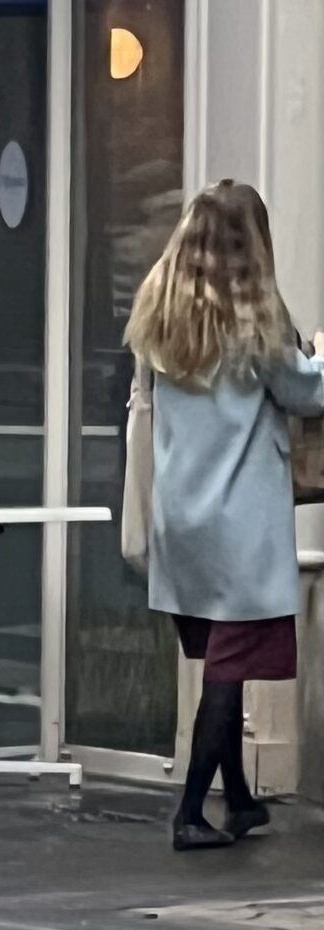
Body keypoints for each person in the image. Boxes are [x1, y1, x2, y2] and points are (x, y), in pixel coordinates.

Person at [125, 179, 324, 852]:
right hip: (237, 524)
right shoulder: (254, 324)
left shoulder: (163, 312)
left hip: (182, 519)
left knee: (216, 658)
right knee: (226, 672)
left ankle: (237, 798)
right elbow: (305, 392)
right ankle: (188, 812)